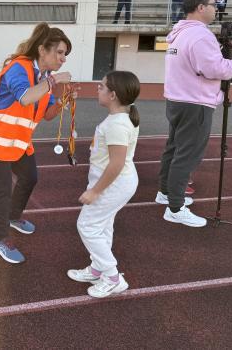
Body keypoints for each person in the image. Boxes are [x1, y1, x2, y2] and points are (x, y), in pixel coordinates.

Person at [0, 23, 76, 263]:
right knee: (2, 190)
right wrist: (54, 82)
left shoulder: (45, 77)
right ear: (42, 50)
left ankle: (13, 216)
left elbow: (47, 114)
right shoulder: (18, 67)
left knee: (30, 178)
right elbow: (25, 97)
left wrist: (63, 102)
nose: (63, 59)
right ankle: (0, 239)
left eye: (65, 55)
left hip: (17, 142)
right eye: (59, 53)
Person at [156, 0, 232, 227]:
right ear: (200, 7)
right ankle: (175, 208)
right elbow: (215, 69)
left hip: (177, 99)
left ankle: (166, 192)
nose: (216, 8)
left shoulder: (179, 33)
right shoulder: (200, 35)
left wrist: (229, 56)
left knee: (174, 149)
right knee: (186, 155)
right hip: (194, 103)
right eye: (213, 4)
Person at [68, 71, 140, 298]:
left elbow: (117, 163)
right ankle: (99, 267)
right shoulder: (118, 119)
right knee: (102, 226)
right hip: (116, 181)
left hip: (114, 183)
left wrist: (95, 191)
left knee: (87, 226)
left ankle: (112, 276)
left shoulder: (117, 124)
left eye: (101, 87)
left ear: (113, 95)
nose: (97, 89)